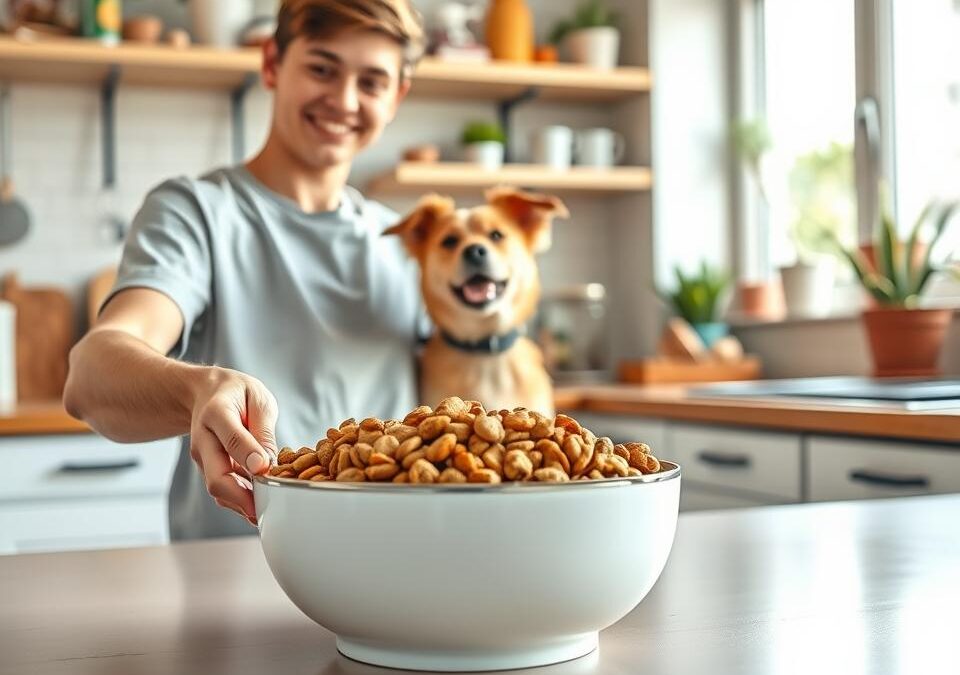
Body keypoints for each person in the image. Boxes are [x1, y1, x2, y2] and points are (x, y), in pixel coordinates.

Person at [63, 0, 426, 540]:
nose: (344, 100)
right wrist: (198, 389)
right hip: (234, 562)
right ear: (272, 64)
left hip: (393, 560)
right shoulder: (196, 213)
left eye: (371, 82)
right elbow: (91, 376)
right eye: (322, 69)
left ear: (396, 97)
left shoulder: (412, 243)